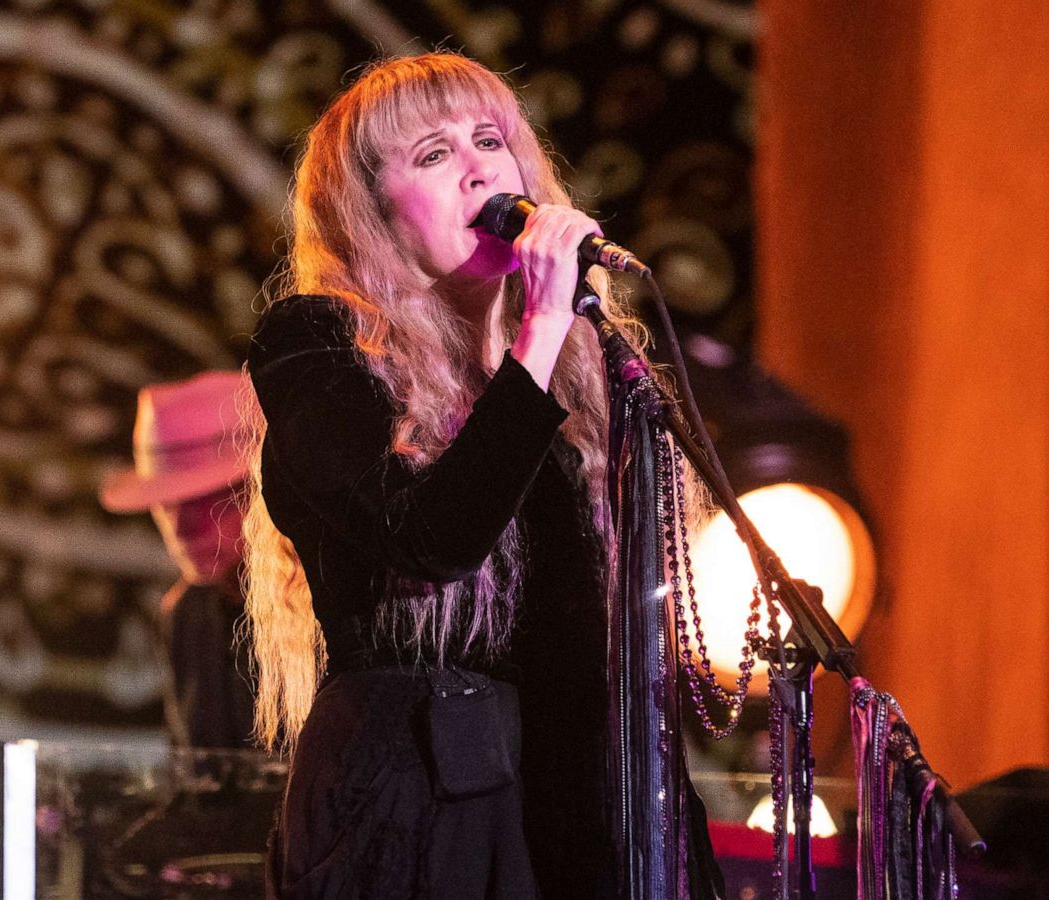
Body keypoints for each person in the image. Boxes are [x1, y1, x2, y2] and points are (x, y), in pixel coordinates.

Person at [243, 52, 722, 900]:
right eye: (433, 155)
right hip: (416, 803)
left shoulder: (584, 378)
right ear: (372, 215)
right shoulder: (316, 349)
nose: (479, 170)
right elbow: (432, 537)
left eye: (491, 140)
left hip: (574, 804)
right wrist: (539, 328)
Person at [101, 370, 258, 752]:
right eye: (166, 503)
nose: (181, 526)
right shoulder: (187, 611)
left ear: (259, 488)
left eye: (205, 499)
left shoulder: (325, 606)